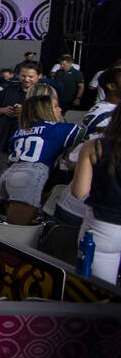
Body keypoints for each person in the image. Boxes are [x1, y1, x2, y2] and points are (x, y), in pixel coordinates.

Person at [0, 94, 81, 225]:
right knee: (16, 231)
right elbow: (91, 134)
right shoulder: (58, 128)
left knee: (16, 221)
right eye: (55, 107)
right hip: (30, 175)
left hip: (10, 173)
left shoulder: (22, 129)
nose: (60, 109)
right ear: (44, 110)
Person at [71, 109, 121, 283]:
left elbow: (79, 192)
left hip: (102, 228)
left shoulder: (95, 146)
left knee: (95, 297)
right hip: (104, 226)